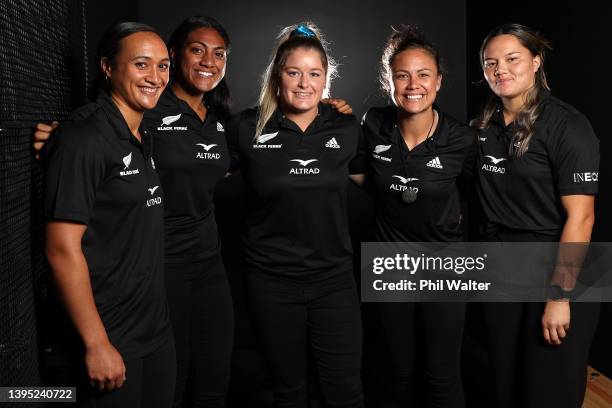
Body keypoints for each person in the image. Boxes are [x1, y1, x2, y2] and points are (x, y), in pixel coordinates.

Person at [34, 16, 352, 408]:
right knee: (170, 380)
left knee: (211, 374)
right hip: (156, 266)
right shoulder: (143, 111)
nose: (208, 61)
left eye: (219, 53)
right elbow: (91, 154)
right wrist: (62, 138)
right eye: (196, 50)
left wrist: (328, 108)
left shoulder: (219, 124)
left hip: (209, 263)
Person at [227, 22, 364, 408]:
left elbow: (384, 181)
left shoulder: (347, 126)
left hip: (333, 281)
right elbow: (188, 163)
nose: (304, 83)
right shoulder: (244, 128)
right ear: (277, 76)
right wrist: (69, 136)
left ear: (326, 80)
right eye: (293, 72)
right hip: (271, 282)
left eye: (314, 74)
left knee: (345, 389)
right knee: (287, 389)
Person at [43, 22, 176, 407]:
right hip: (109, 341)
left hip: (153, 333)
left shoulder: (139, 134)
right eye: (141, 64)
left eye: (163, 66)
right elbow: (60, 250)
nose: (155, 77)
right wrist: (97, 343)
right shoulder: (82, 138)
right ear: (107, 66)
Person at [471, 23, 600, 408]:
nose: (500, 70)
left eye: (512, 59)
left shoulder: (569, 126)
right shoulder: (483, 127)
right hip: (504, 267)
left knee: (549, 391)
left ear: (536, 61)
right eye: (490, 63)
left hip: (560, 268)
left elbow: (582, 217)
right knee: (503, 384)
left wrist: (559, 296)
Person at [354, 25, 475, 407]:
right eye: (402, 75)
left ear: (438, 81)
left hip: (445, 269)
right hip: (390, 265)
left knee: (442, 376)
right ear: (389, 81)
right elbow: (357, 176)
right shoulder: (372, 124)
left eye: (423, 75)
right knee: (397, 373)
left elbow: (474, 196)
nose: (412, 85)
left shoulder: (462, 139)